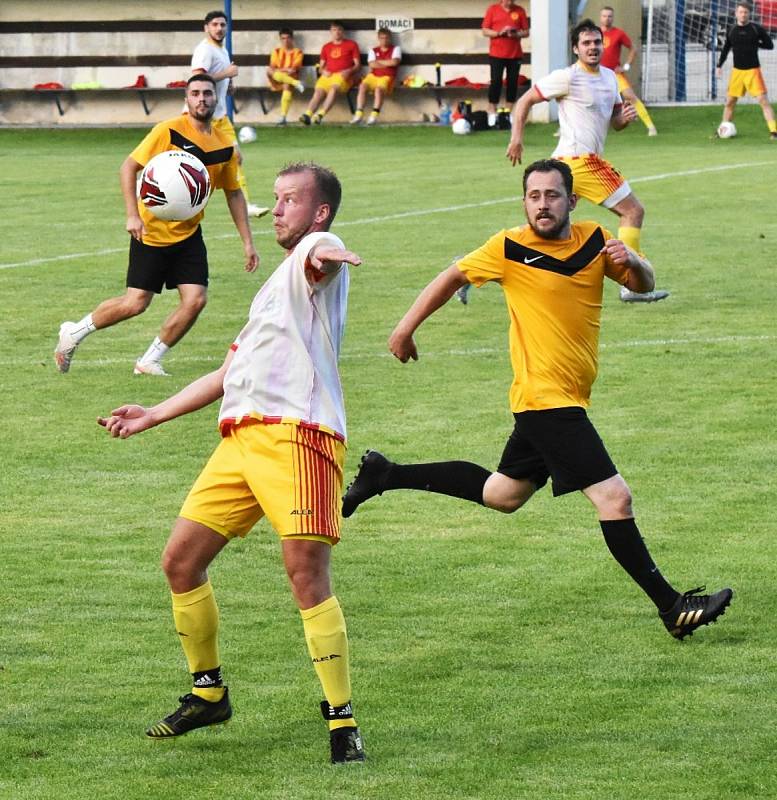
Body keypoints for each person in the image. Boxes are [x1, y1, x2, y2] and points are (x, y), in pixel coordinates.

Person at [343, 158, 733, 644]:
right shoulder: (507, 247)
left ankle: (387, 474)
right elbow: (451, 277)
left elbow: (643, 284)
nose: (542, 204)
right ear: (524, 201)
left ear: (572, 200)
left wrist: (635, 261)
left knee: (503, 495)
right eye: (533, 196)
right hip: (546, 400)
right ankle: (672, 607)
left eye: (552, 195)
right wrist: (404, 329)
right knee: (615, 498)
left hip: (564, 396)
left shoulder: (595, 241)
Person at [97, 162, 366, 764]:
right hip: (239, 444)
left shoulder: (313, 256)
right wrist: (153, 414)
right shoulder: (274, 290)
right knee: (179, 562)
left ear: (319, 213)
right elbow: (228, 374)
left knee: (305, 576)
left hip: (300, 438)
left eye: (291, 200)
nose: (279, 210)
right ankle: (208, 691)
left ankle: (341, 721)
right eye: (276, 198)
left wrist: (329, 253)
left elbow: (324, 253)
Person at [54, 74, 258, 377]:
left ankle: (149, 359)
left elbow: (234, 193)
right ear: (186, 99)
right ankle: (74, 332)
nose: (202, 99)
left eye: (207, 94)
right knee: (136, 303)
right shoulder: (169, 131)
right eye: (195, 94)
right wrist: (132, 215)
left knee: (196, 299)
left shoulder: (224, 145)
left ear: (217, 99)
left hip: (189, 234)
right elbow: (129, 167)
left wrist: (247, 242)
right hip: (150, 233)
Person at [506, 18, 669, 304]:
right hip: (580, 161)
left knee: (546, 227)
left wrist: (625, 120)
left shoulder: (609, 77)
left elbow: (615, 122)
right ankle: (632, 284)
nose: (593, 47)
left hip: (569, 164)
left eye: (597, 42)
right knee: (633, 211)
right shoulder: (567, 77)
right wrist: (516, 138)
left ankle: (473, 268)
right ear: (576, 49)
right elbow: (525, 101)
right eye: (586, 43)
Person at [190, 9, 269, 217]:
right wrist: (227, 74)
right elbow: (198, 79)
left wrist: (229, 83)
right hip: (201, 117)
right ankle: (147, 181)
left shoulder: (221, 50)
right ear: (206, 27)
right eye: (215, 24)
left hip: (219, 117)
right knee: (183, 159)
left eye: (222, 25)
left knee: (235, 157)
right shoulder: (205, 50)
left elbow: (219, 75)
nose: (219, 28)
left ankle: (246, 204)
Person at [717, 1, 777, 140]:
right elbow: (726, 48)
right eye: (740, 12)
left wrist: (757, 43)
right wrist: (719, 65)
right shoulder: (731, 30)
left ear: (749, 14)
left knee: (763, 100)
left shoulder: (756, 29)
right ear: (736, 13)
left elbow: (770, 45)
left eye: (745, 12)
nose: (743, 15)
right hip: (737, 72)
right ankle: (722, 129)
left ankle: (774, 131)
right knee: (730, 102)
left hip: (753, 72)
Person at [599, 5, 657, 136]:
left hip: (614, 74)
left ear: (612, 18)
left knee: (630, 96)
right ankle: (565, 129)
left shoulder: (618, 33)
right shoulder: (595, 34)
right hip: (597, 74)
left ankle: (651, 127)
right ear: (600, 17)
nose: (607, 19)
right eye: (604, 16)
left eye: (609, 16)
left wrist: (626, 66)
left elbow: (633, 48)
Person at [300, 22, 361, 125]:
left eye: (339, 30)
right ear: (331, 32)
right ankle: (307, 115)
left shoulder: (351, 44)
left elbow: (358, 65)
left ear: (343, 32)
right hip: (327, 75)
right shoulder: (326, 47)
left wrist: (349, 71)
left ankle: (320, 115)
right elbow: (320, 67)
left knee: (334, 89)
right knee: (318, 92)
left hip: (342, 76)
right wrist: (323, 71)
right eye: (334, 30)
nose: (337, 32)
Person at [481, 0, 530, 128]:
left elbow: (526, 32)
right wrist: (499, 33)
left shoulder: (520, 10)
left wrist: (515, 34)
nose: (510, 1)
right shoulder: (493, 9)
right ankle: (492, 109)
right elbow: (485, 30)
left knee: (512, 82)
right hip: (496, 54)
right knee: (496, 81)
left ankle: (508, 111)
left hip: (515, 54)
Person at [350, 27, 401, 126]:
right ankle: (359, 113)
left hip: (388, 76)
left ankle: (374, 115)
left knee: (379, 90)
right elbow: (371, 65)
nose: (384, 40)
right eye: (382, 38)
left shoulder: (396, 49)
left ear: (390, 38)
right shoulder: (373, 50)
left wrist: (378, 62)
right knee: (362, 86)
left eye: (386, 38)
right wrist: (386, 63)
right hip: (373, 75)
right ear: (378, 38)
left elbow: (394, 62)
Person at [266, 27, 305, 126]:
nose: (286, 41)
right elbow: (272, 68)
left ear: (292, 39)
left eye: (288, 38)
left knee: (287, 84)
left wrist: (281, 71)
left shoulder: (298, 52)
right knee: (269, 71)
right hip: (276, 80)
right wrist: (284, 70)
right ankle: (296, 83)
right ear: (280, 39)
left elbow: (293, 69)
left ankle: (283, 117)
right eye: (283, 38)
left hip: (289, 79)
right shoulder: (276, 51)